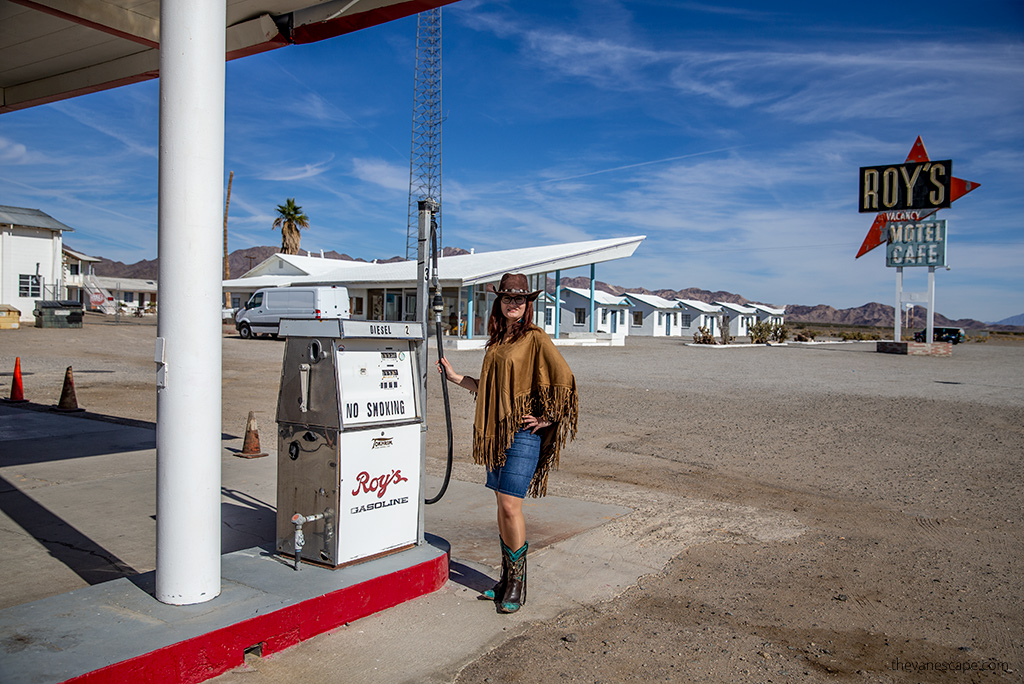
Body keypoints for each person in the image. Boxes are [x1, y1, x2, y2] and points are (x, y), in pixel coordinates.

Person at [438, 272, 578, 613]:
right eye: (507, 298)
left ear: (527, 304)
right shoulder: (498, 341)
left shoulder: (535, 338)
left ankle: (517, 584)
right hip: (497, 434)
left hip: (522, 435)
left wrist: (547, 418)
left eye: (519, 299)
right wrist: (458, 378)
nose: (513, 303)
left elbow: (565, 379)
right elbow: (491, 387)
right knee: (502, 506)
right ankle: (504, 578)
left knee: (511, 505)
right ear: (498, 303)